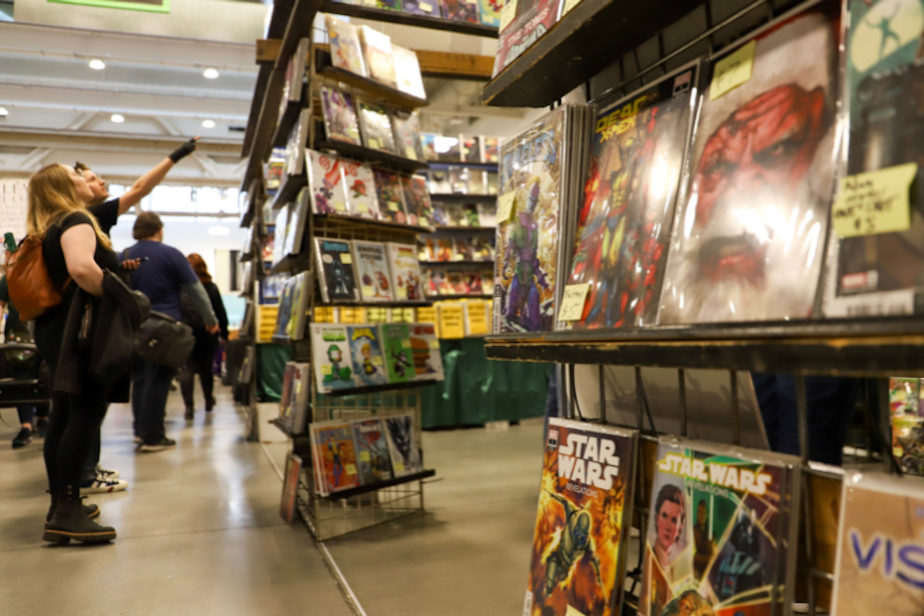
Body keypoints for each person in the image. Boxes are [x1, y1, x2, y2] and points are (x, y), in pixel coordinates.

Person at [73, 138, 199, 480]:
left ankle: (88, 468)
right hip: (98, 324)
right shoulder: (86, 217)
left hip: (120, 325)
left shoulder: (101, 228)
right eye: (92, 178)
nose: (101, 182)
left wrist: (117, 271)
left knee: (110, 391)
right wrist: (178, 154)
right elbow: (142, 187)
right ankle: (82, 474)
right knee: (90, 399)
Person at [29, 163, 122, 542]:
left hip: (56, 334)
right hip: (81, 334)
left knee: (64, 418)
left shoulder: (49, 227)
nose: (87, 179)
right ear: (62, 188)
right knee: (84, 416)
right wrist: (122, 298)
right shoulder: (76, 220)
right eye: (78, 176)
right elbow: (83, 269)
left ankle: (62, 504)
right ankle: (67, 511)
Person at [125, 212, 218, 452]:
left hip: (134, 326)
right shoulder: (171, 254)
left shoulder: (124, 255)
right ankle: (153, 436)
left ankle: (139, 431)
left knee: (140, 378)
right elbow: (196, 290)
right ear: (159, 229)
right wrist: (209, 318)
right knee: (159, 379)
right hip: (166, 327)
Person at [0, 275, 49, 449]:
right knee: (22, 382)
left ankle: (43, 419)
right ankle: (26, 425)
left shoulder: (45, 268)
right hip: (18, 337)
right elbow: (0, 304)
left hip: (45, 333)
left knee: (44, 378)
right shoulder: (10, 278)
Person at [178, 253, 228, 419]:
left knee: (187, 369)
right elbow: (220, 311)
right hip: (208, 333)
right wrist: (224, 333)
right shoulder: (210, 287)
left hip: (185, 333)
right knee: (206, 368)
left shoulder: (180, 287)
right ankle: (208, 400)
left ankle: (189, 408)